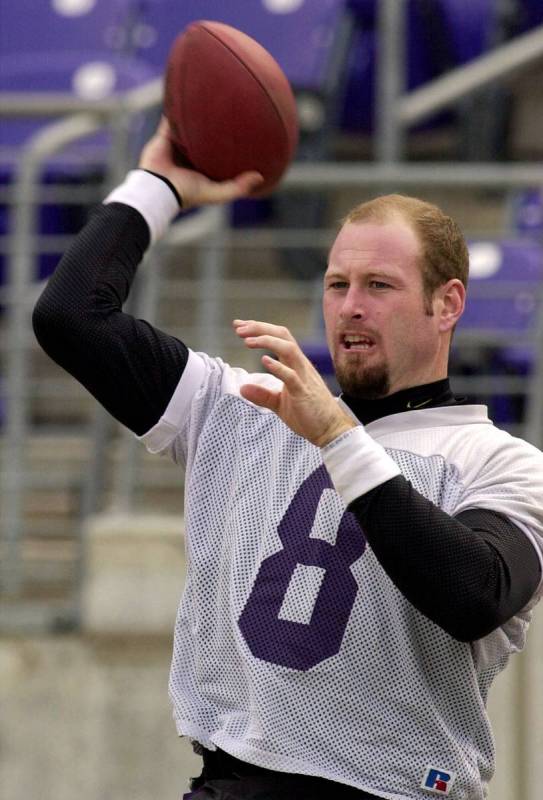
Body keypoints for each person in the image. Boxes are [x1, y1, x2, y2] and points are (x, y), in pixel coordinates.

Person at [32, 119, 543, 800]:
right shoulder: (243, 408)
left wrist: (339, 437)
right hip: (231, 780)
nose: (350, 308)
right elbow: (70, 317)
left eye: (378, 286)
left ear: (446, 302)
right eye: (336, 285)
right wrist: (158, 187)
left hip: (390, 790)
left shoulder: (499, 462)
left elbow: (471, 596)